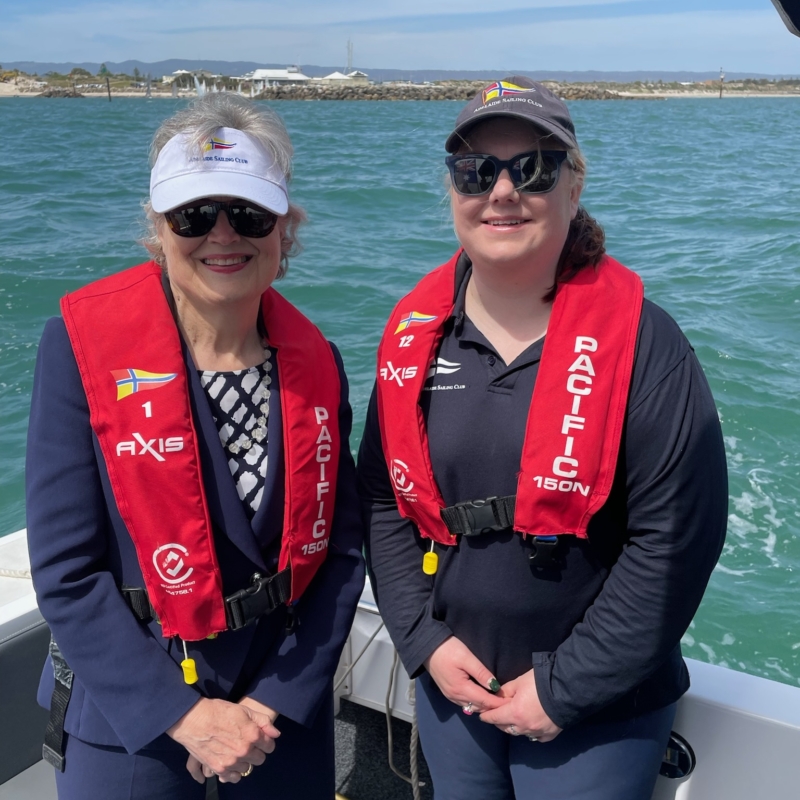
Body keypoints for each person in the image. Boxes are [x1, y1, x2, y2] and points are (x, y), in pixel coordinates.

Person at [357, 76, 727, 799]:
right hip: (455, 687)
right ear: (452, 189)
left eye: (532, 167)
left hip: (597, 709)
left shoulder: (646, 346)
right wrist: (425, 644)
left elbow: (676, 539)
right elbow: (380, 500)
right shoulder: (414, 341)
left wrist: (564, 687)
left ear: (573, 184)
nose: (502, 191)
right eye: (475, 171)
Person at [26, 93, 365, 800]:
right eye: (192, 214)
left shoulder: (319, 363)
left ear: (285, 229)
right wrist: (182, 716)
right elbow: (65, 569)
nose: (221, 235)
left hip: (280, 718)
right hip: (135, 721)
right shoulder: (78, 352)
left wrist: (272, 703)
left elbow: (342, 551)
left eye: (248, 214)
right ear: (157, 227)